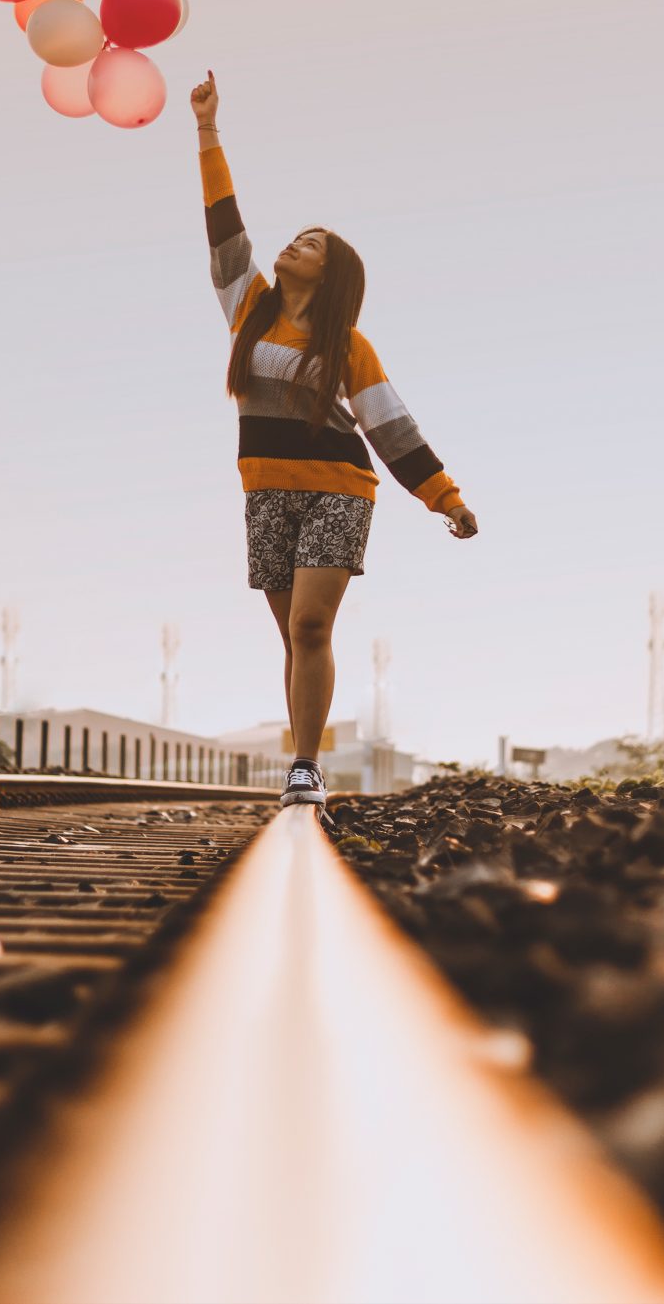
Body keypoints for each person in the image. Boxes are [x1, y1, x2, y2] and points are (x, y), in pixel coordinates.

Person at [190, 70, 477, 809]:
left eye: (310, 242)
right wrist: (207, 130)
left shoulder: (348, 344)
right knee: (294, 640)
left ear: (333, 271)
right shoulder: (248, 307)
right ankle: (303, 755)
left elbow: (388, 425)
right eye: (295, 236)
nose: (294, 243)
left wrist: (444, 496)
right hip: (266, 490)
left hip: (338, 488)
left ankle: (304, 767)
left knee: (313, 624)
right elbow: (224, 225)